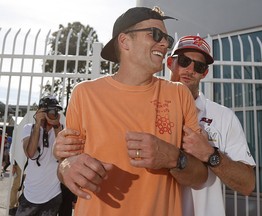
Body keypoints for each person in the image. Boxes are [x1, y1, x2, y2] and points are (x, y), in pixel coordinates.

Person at [56, 6, 208, 216]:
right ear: (125, 41)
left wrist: (173, 157)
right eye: (155, 35)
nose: (164, 44)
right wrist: (65, 168)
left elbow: (200, 176)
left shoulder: (179, 95)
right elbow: (66, 163)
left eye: (167, 40)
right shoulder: (84, 94)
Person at [167, 35, 256, 216]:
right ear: (170, 62)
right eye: (184, 61)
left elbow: (247, 184)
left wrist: (210, 154)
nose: (190, 70)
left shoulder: (223, 116)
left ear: (204, 73)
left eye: (199, 66)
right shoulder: (145, 107)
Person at [16, 95, 63, 216]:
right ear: (40, 111)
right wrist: (38, 124)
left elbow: (62, 154)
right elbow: (31, 153)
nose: (52, 113)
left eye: (55, 110)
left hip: (53, 194)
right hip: (31, 193)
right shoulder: (29, 128)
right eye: (49, 110)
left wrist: (57, 126)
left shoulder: (60, 130)